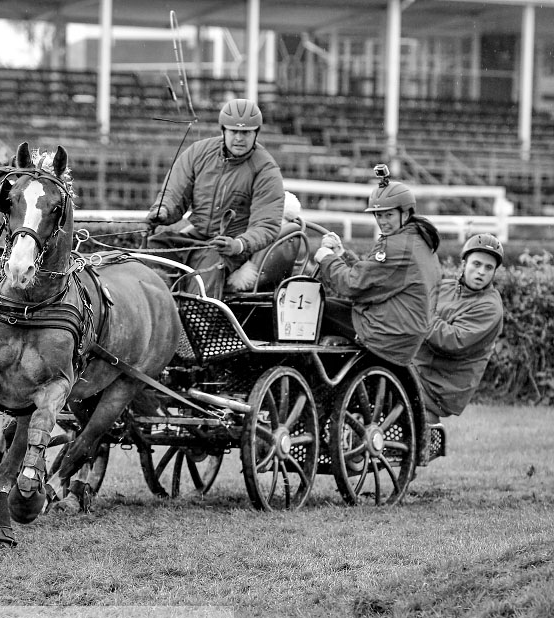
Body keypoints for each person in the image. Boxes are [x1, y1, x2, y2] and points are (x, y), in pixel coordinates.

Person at [146, 98, 284, 297]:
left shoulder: (266, 170)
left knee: (204, 274)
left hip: (230, 247)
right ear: (223, 130)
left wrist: (239, 244)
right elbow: (174, 192)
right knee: (151, 251)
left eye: (246, 132)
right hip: (196, 237)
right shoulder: (198, 152)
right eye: (233, 131)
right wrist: (163, 210)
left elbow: (266, 224)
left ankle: (197, 320)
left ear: (256, 133)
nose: (239, 138)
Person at [313, 165, 441, 368]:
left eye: (388, 215)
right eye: (378, 215)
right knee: (327, 307)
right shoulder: (419, 240)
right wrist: (341, 255)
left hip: (386, 333)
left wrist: (327, 259)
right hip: (401, 331)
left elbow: (353, 286)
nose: (382, 222)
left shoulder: (397, 245)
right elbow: (376, 280)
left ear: (405, 214)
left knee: (315, 308)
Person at [412, 234, 505, 464]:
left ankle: (420, 436)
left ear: (494, 273)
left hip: (441, 384)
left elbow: (452, 341)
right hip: (417, 366)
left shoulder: (490, 307)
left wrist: (419, 316)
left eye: (488, 267)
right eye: (476, 264)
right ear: (464, 264)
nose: (481, 271)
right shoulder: (445, 287)